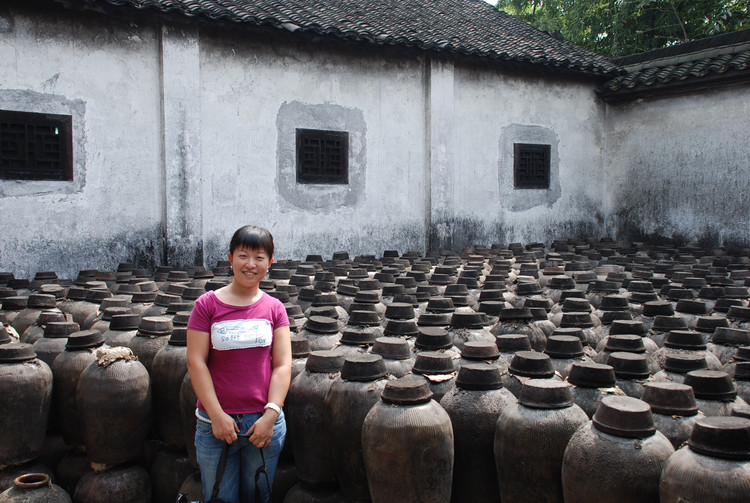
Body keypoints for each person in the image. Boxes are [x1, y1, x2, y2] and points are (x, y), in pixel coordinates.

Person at [187, 225, 291, 503]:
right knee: (220, 496)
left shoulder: (275, 308)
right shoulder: (206, 305)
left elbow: (282, 365)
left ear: (269, 263)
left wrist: (271, 415)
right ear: (231, 258)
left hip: (263, 423)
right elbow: (196, 362)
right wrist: (217, 415)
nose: (250, 264)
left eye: (259, 257)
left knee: (258, 494)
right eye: (243, 255)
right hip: (215, 424)